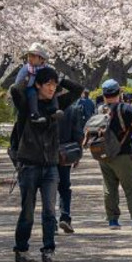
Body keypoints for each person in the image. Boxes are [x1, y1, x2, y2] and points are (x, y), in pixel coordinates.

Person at [10, 67, 70, 262]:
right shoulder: (27, 105)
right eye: (48, 84)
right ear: (38, 85)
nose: (52, 88)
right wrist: (29, 74)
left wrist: (61, 79)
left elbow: (77, 90)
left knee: (49, 211)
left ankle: (48, 252)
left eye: (55, 84)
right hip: (29, 164)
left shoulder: (57, 104)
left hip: (50, 166)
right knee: (27, 210)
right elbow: (14, 90)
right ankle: (21, 250)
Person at [97, 79, 132, 229]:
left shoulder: (100, 109)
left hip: (103, 154)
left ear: (104, 94)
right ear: (119, 93)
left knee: (109, 188)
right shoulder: (126, 109)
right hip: (123, 153)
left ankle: (113, 220)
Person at [56, 87, 87, 234]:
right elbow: (78, 134)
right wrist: (78, 154)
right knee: (64, 186)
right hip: (65, 154)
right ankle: (65, 216)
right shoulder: (72, 110)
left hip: (45, 154)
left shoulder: (42, 107)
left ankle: (49, 222)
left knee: (46, 188)